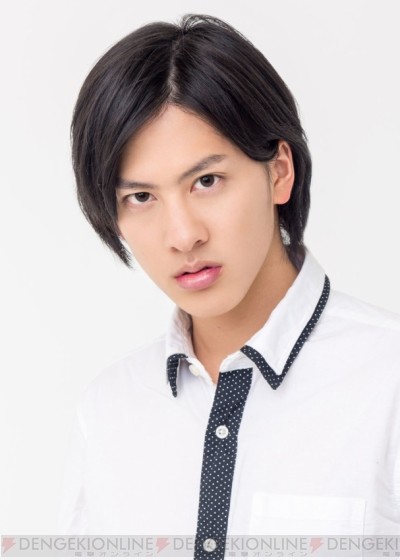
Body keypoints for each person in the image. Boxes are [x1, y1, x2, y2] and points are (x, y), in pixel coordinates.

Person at [57, 12, 400, 553]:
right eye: (141, 197)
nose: (182, 235)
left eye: (207, 181)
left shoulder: (386, 382)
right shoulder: (108, 410)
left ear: (278, 172)